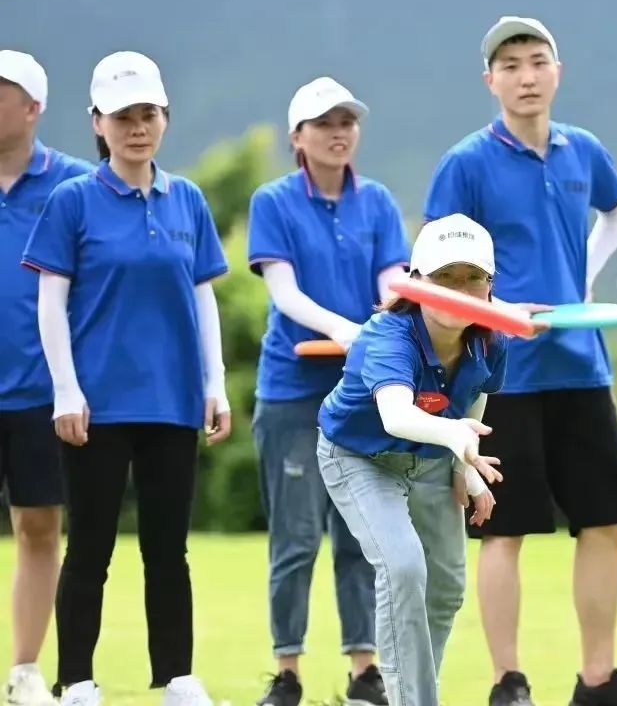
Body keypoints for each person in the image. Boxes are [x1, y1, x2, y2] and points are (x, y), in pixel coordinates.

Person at [423, 15, 617, 706]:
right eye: (511, 66)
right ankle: (509, 682)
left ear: (556, 72)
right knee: (504, 527)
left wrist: (581, 279)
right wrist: (495, 308)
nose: (526, 76)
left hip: (580, 364)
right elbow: (435, 263)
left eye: (537, 62)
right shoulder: (467, 162)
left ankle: (598, 682)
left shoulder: (580, 151)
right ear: (490, 81)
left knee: (605, 520)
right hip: (502, 372)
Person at [21, 50, 231, 706]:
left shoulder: (187, 200)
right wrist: (65, 388)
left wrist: (215, 382)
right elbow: (50, 302)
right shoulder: (73, 201)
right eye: (122, 117)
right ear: (98, 124)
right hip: (96, 403)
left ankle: (177, 675)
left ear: (164, 119)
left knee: (168, 550)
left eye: (148, 114)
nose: (137, 127)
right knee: (91, 547)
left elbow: (202, 298)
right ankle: (77, 679)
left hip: (171, 401)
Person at [246, 75, 411, 706]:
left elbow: (393, 279)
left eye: (347, 121)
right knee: (295, 538)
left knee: (359, 536)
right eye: (324, 123)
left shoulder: (378, 203)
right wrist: (352, 328)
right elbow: (284, 293)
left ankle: (363, 670)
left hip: (362, 392)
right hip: (293, 392)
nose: (339, 132)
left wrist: (398, 315)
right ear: (298, 137)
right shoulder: (274, 201)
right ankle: (287, 672)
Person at [316, 213, 506, 706]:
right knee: (403, 568)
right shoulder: (387, 336)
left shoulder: (492, 338)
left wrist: (467, 469)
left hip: (432, 460)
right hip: (358, 457)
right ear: (417, 283)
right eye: (444, 278)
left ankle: (416, 691)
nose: (457, 291)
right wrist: (456, 440)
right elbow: (397, 415)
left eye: (471, 279)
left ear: (489, 288)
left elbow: (475, 399)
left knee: (444, 589)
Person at [0, 49, 93, 706]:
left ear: (33, 108)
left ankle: (26, 670)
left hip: (41, 390)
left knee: (38, 527)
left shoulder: (74, 188)